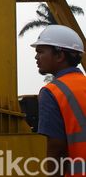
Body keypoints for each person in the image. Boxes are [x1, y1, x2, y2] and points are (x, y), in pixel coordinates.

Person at [32, 25, 86, 174]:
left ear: (59, 56)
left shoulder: (52, 92)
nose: (36, 57)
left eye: (40, 52)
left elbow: (56, 146)